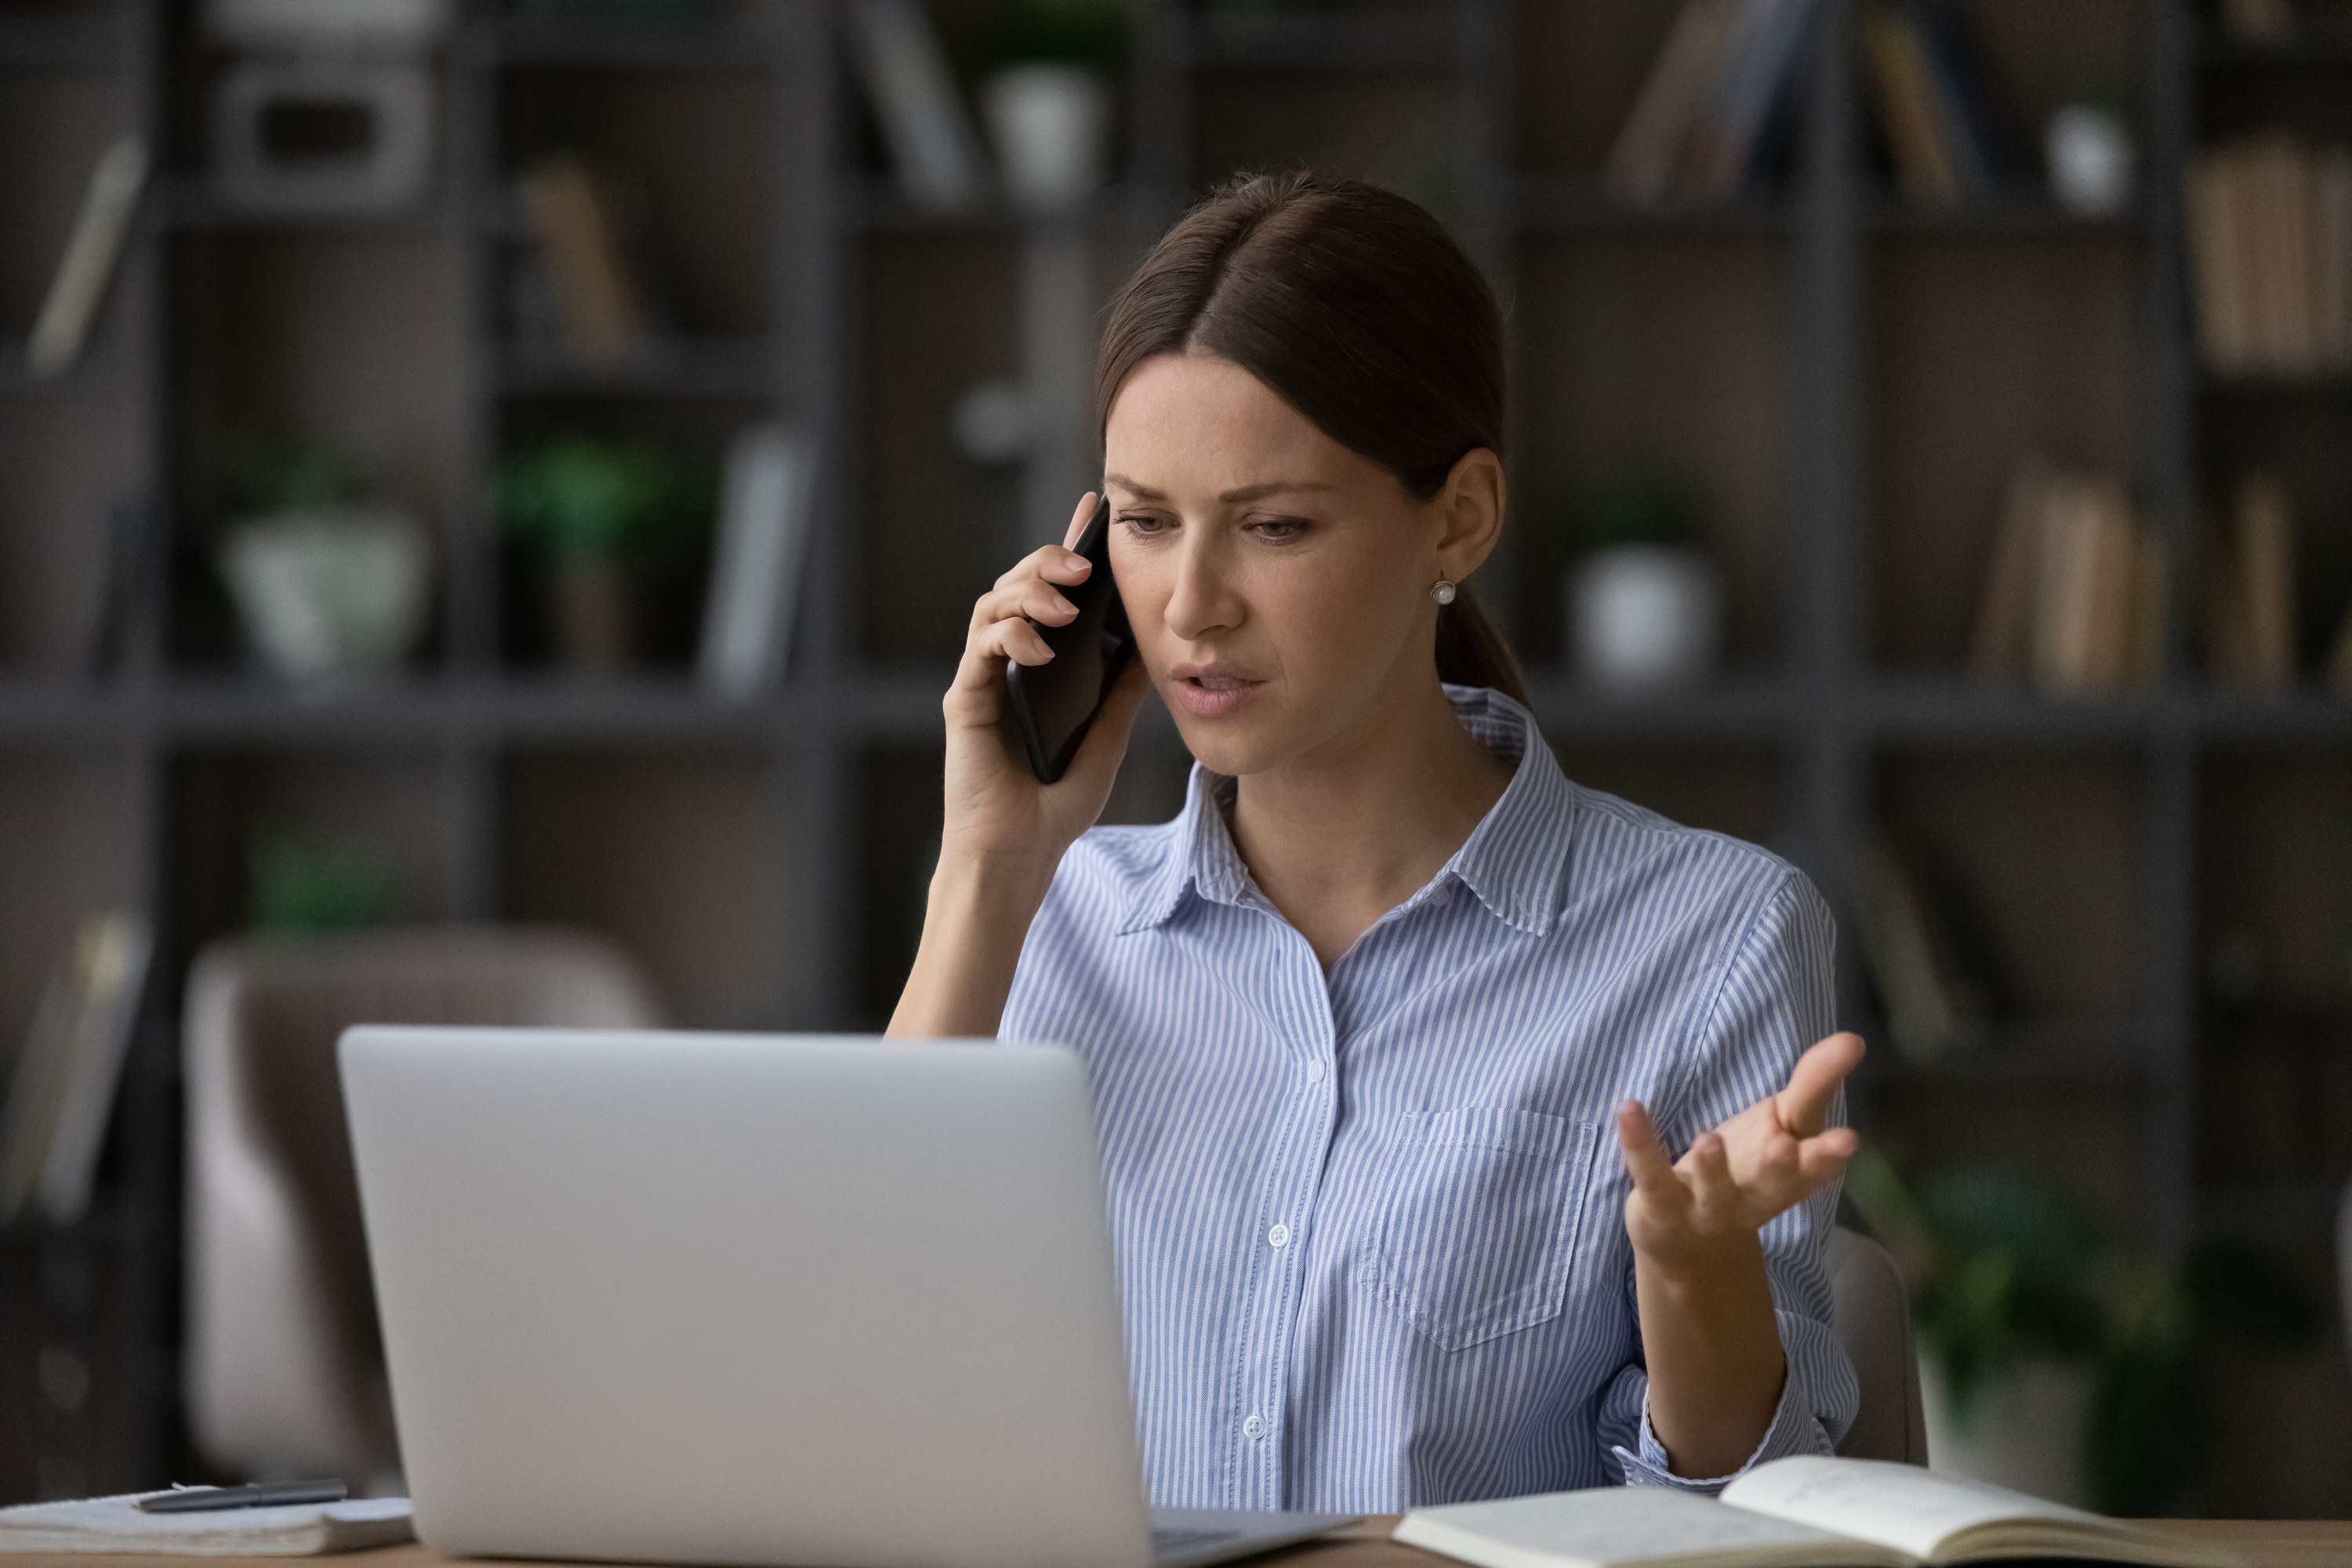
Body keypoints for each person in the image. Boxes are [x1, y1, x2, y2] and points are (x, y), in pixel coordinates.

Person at [888, 170, 1864, 1512]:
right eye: (1144, 522)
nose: (1190, 607)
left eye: (1274, 525)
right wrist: (989, 868)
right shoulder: (1050, 923)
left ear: (1457, 517)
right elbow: (859, 1364)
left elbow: (1746, 1518)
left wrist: (1695, 1277)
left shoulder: (1710, 936)